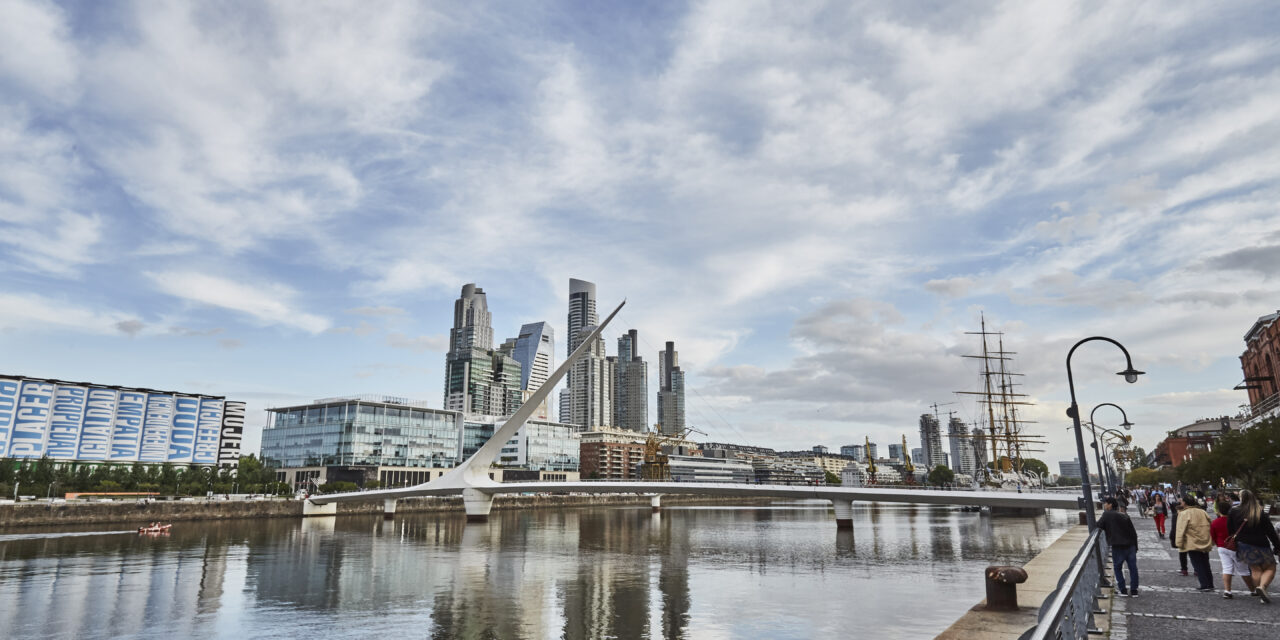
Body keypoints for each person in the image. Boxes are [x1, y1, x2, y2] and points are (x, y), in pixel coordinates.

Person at [1228, 490, 1280, 604]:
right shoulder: (1259, 512)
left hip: (1244, 545)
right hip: (1261, 544)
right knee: (1270, 568)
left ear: (1240, 498)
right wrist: (1277, 545)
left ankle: (1261, 592)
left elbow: (1230, 530)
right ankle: (1262, 587)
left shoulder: (1233, 511)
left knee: (1255, 569)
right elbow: (1270, 531)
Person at [1212, 499, 1256, 598]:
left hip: (1222, 547)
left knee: (1227, 568)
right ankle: (1253, 590)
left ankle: (1227, 591)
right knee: (1244, 570)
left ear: (1219, 511)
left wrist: (1217, 544)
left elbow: (1213, 536)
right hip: (1236, 547)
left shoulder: (1215, 522)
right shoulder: (1236, 521)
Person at [1098, 497, 1140, 596]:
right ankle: (1134, 591)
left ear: (1110, 505)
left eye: (1105, 503)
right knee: (1133, 568)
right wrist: (1136, 546)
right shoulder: (1124, 515)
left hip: (1118, 546)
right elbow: (1133, 533)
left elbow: (1099, 525)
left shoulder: (1107, 514)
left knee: (1117, 568)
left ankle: (1123, 590)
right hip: (1130, 545)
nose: (1104, 505)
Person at [1175, 493, 1216, 591]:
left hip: (1192, 541)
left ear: (1184, 503)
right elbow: (1210, 525)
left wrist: (1179, 543)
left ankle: (1204, 585)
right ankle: (1210, 584)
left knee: (1197, 564)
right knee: (1206, 563)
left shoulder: (1184, 513)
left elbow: (1181, 529)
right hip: (1204, 540)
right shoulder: (1202, 512)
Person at [1169, 496, 1189, 575]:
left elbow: (1174, 528)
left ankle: (1184, 569)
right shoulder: (1189, 513)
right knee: (1192, 553)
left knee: (1183, 553)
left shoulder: (1176, 515)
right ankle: (1196, 570)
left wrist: (1172, 537)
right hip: (1190, 536)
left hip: (1181, 536)